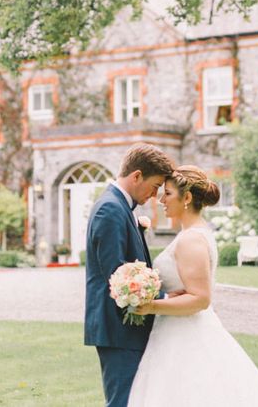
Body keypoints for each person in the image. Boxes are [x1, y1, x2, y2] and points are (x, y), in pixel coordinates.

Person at [128, 165, 258, 407]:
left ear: (186, 198)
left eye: (167, 193)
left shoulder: (191, 239)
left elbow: (200, 299)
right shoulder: (194, 233)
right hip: (175, 332)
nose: (160, 200)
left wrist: (150, 306)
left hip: (186, 336)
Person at [84, 143, 174, 407]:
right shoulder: (110, 209)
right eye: (155, 185)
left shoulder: (120, 207)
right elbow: (117, 275)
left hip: (127, 326)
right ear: (136, 176)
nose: (156, 194)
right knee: (124, 401)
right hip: (118, 327)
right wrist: (165, 297)